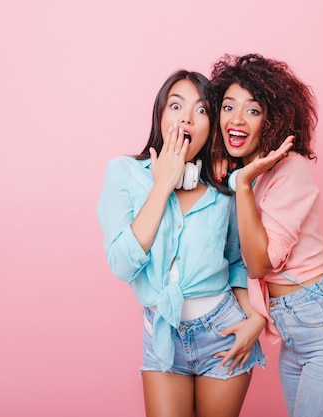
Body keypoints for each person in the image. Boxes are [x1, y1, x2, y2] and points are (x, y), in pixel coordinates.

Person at [207, 54, 323, 417]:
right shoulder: (243, 172)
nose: (236, 118)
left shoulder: (289, 168)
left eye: (252, 110)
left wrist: (243, 185)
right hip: (294, 336)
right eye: (228, 107)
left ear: (273, 118)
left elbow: (260, 262)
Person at [97, 70, 266, 417]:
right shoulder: (123, 173)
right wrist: (163, 185)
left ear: (212, 125)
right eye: (176, 105)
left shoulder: (224, 187)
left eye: (202, 110)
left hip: (222, 332)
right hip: (162, 335)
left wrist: (255, 318)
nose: (187, 116)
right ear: (160, 115)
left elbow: (237, 262)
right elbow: (122, 264)